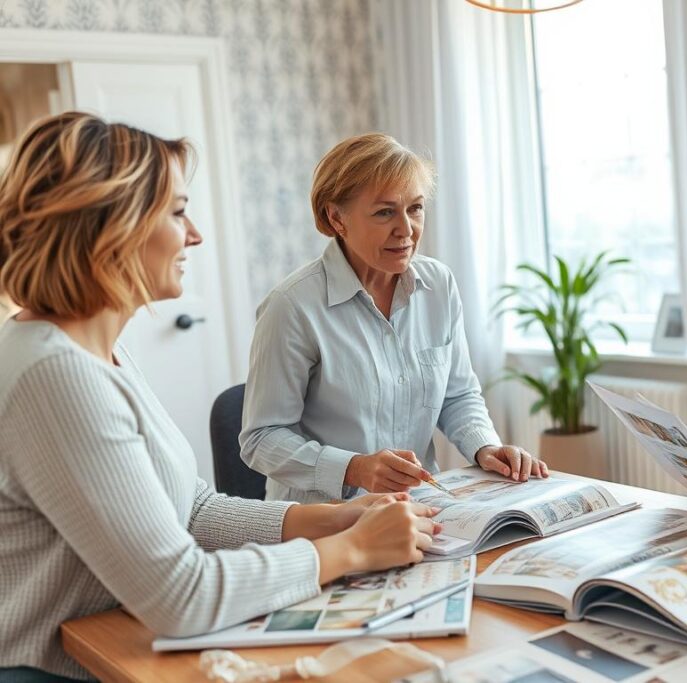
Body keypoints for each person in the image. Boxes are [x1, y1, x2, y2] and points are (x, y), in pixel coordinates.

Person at [0, 112, 440, 681]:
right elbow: (181, 596)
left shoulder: (94, 352)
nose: (195, 234)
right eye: (178, 212)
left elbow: (193, 509)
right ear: (109, 224)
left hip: (120, 643)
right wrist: (353, 551)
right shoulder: (55, 376)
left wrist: (330, 517)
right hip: (68, 669)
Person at [240, 133, 546, 503]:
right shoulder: (291, 307)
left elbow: (458, 395)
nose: (406, 230)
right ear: (337, 218)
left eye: (415, 208)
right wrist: (355, 468)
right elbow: (261, 439)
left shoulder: (439, 285)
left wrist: (485, 447)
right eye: (385, 212)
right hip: (326, 521)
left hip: (420, 508)